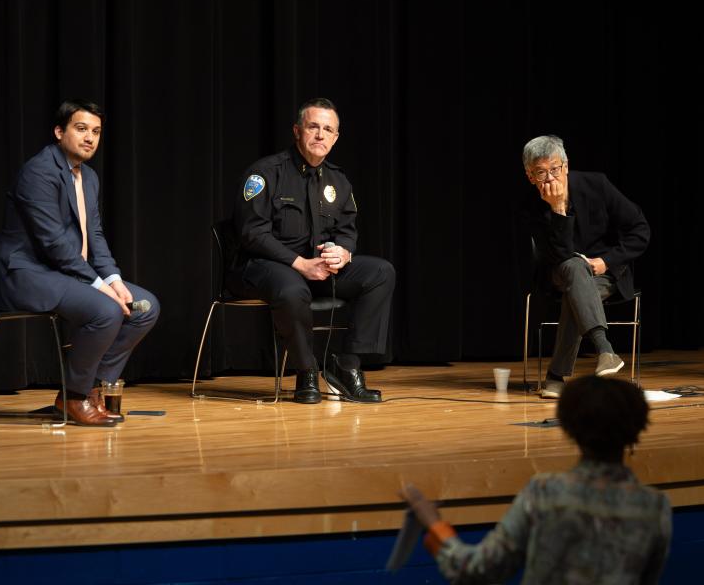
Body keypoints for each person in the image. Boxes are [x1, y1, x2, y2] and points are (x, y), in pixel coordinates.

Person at [0, 99, 160, 426]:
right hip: (28, 273)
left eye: (95, 131)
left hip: (66, 273)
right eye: (81, 129)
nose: (90, 138)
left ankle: (89, 388)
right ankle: (74, 397)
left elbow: (94, 235)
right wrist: (99, 288)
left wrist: (114, 280)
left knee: (145, 306)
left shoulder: (89, 177)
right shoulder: (39, 172)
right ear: (59, 132)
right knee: (106, 310)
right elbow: (54, 245)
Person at [401, 375, 671, 584]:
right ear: (636, 430)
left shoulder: (545, 492)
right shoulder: (655, 507)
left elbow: (476, 570)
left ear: (568, 428)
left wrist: (434, 525)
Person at [230, 98, 395, 404]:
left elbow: (347, 230)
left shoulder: (338, 180)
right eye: (313, 126)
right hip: (265, 266)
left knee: (380, 272)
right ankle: (306, 371)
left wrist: (343, 253)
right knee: (292, 289)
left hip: (316, 270)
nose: (320, 134)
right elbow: (252, 234)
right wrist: (300, 264)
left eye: (328, 129)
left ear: (335, 138)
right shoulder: (265, 173)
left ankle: (347, 365)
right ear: (297, 131)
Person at [521, 135, 650, 398]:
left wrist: (608, 261)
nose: (550, 179)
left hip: (605, 274)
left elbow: (640, 229)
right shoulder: (530, 207)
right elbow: (559, 257)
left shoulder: (596, 184)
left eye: (554, 169)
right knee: (573, 268)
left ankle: (556, 377)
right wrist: (557, 210)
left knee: (576, 291)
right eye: (540, 173)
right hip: (558, 273)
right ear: (530, 176)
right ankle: (605, 349)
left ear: (566, 166)